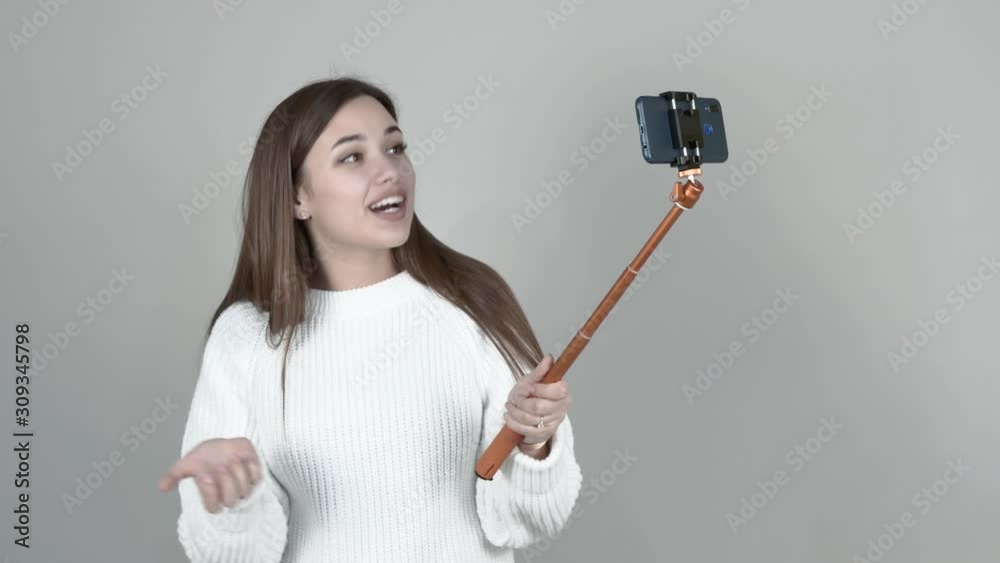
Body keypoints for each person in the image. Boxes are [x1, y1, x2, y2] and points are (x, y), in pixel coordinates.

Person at [157, 76, 583, 562]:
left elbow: (530, 522)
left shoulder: (473, 301)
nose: (391, 172)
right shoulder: (247, 337)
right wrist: (230, 501)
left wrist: (536, 446)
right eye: (352, 157)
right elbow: (235, 557)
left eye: (396, 148)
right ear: (298, 197)